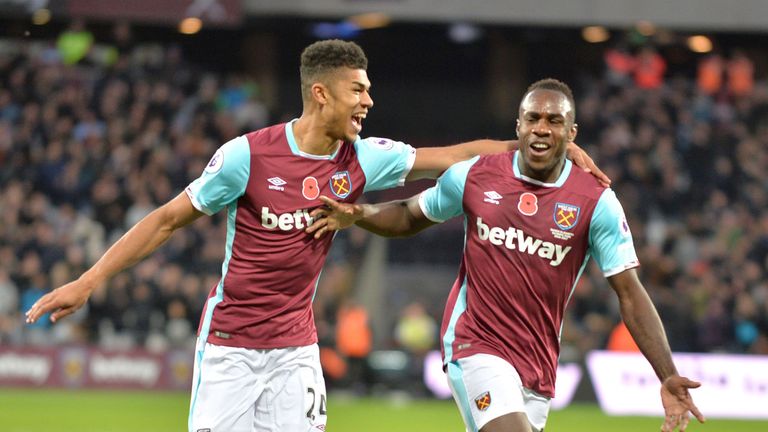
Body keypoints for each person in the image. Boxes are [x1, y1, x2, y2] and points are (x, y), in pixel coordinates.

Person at [24, 39, 606, 431]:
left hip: (296, 351)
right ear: (321, 93)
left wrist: (544, 147)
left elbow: (452, 156)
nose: (369, 100)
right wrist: (90, 278)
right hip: (229, 345)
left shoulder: (364, 159)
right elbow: (166, 219)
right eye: (359, 89)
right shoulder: (246, 157)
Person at [306, 78, 705, 432]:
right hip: (474, 343)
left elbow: (630, 292)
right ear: (519, 126)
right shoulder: (478, 175)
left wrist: (667, 374)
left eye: (553, 121)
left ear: (572, 132)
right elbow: (412, 214)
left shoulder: (595, 201)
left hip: (536, 363)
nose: (541, 128)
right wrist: (359, 214)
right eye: (532, 118)